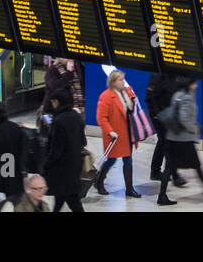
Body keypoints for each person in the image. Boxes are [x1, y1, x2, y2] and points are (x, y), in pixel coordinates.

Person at [157, 80, 203, 206]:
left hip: (172, 137)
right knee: (197, 166)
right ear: (190, 83)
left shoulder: (177, 94)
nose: (197, 84)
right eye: (195, 82)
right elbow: (184, 119)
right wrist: (195, 129)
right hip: (184, 140)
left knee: (169, 168)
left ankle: (162, 196)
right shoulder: (187, 97)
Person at [94, 69, 141, 199]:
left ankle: (129, 189)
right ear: (113, 82)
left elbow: (130, 109)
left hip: (127, 134)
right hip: (115, 136)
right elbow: (101, 118)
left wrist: (133, 99)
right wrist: (110, 131)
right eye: (120, 80)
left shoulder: (127, 93)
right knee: (112, 160)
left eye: (123, 79)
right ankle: (99, 181)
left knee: (128, 160)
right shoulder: (106, 96)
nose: (123, 82)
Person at [42, 88, 86, 212]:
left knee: (72, 200)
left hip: (61, 169)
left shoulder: (58, 121)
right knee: (60, 197)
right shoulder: (76, 117)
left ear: (57, 102)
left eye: (53, 102)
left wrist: (45, 165)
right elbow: (83, 141)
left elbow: (56, 150)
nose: (52, 105)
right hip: (75, 165)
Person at [145, 73, 185, 185]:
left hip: (169, 114)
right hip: (159, 115)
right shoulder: (158, 75)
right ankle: (173, 174)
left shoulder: (175, 75)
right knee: (166, 142)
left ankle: (156, 171)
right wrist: (158, 114)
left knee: (164, 142)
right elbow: (149, 97)